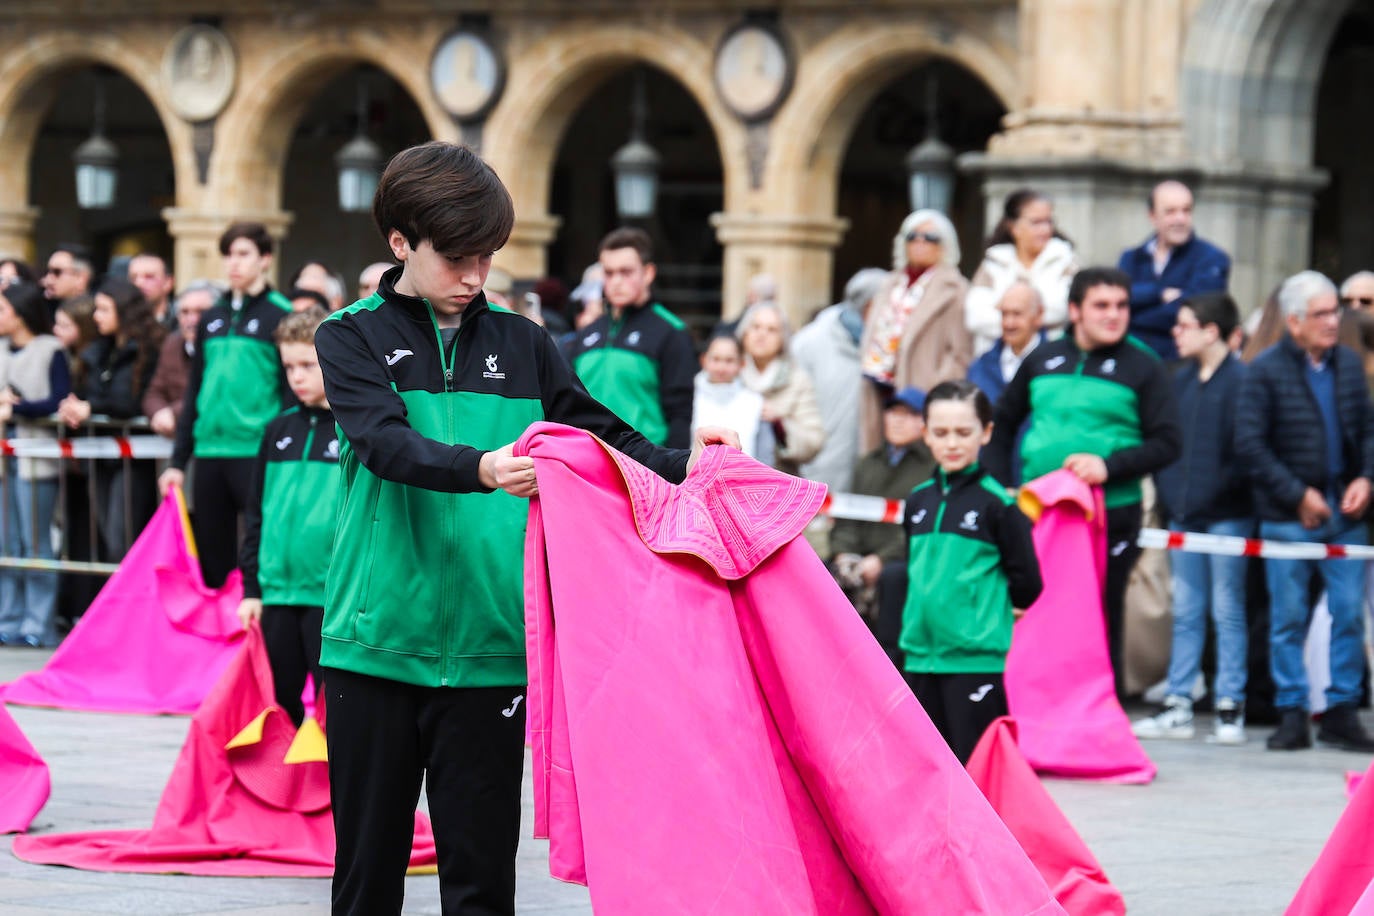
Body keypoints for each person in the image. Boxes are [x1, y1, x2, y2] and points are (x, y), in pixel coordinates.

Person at [312, 141, 737, 915]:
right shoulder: (349, 335)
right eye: (459, 258)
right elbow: (382, 442)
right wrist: (483, 468)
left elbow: (605, 437)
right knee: (366, 882)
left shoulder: (524, 341)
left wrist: (686, 462)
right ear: (401, 242)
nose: (477, 277)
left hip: (493, 648)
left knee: (481, 888)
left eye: (488, 258)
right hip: (371, 649)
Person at [985, 267, 1181, 689]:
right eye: (1101, 306)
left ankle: (1100, 712)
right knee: (1034, 606)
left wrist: (1108, 466)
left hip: (1111, 513)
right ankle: (1033, 702)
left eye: (1122, 305)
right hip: (1039, 512)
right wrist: (1000, 487)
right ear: (1074, 311)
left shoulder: (1145, 366)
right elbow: (1000, 424)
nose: (1114, 315)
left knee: (1099, 612)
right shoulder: (1042, 357)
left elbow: (1168, 443)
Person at [1234, 270, 1374, 753]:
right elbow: (1250, 445)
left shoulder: (1350, 367)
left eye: (1334, 311)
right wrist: (1297, 494)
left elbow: (1369, 433)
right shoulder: (1265, 370)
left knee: (1350, 614)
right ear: (1294, 322)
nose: (1333, 321)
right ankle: (1291, 709)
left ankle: (1342, 710)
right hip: (1288, 516)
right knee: (1287, 616)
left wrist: (1366, 479)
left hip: (1346, 513)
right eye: (1321, 314)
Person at [899, 380, 1042, 764]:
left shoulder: (1000, 505)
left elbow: (1029, 580)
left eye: (964, 432)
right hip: (920, 659)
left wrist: (987, 612)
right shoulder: (917, 502)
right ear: (925, 433)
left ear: (987, 432)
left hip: (974, 661)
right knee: (927, 767)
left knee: (976, 769)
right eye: (941, 433)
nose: (952, 443)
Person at [1133, 292, 1251, 744]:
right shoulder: (1179, 382)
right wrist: (1171, 497)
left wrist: (1206, 498)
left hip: (1227, 517)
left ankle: (1229, 705)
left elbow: (1245, 454)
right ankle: (1179, 701)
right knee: (1186, 609)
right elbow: (1167, 445)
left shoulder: (1243, 381)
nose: (1175, 333)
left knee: (1227, 609)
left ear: (1212, 330)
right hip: (1183, 516)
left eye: (1184, 325)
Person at [158, 222, 294, 590]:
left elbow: (288, 393)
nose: (233, 263)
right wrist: (177, 462)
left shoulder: (280, 315)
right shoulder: (211, 318)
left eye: (244, 254)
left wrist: (281, 448)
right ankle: (220, 637)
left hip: (254, 450)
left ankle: (259, 634)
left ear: (265, 259)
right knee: (213, 554)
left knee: (258, 547)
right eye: (229, 255)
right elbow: (195, 393)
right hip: (210, 451)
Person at [236, 306, 336, 727]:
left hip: (330, 597)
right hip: (277, 593)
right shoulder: (277, 430)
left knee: (335, 708)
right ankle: (288, 788)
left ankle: (333, 790)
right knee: (279, 703)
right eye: (290, 366)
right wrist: (251, 588)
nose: (297, 376)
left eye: (308, 365)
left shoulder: (356, 431)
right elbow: (255, 513)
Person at [56, 277, 165, 558]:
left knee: (123, 539)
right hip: (100, 453)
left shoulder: (148, 349)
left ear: (123, 311)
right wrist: (75, 405)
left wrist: (91, 407)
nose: (96, 316)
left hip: (134, 458)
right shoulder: (98, 351)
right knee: (108, 537)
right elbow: (88, 390)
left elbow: (133, 399)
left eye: (104, 309)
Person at [564, 227, 696, 448]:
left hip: (645, 466)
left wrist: (674, 474)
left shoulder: (672, 332)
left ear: (648, 273)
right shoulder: (586, 334)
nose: (616, 281)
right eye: (609, 272)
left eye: (626, 272)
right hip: (587, 462)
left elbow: (681, 415)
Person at [858, 210, 972, 453]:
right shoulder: (889, 284)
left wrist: (933, 390)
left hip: (920, 390)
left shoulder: (954, 290)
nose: (920, 243)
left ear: (945, 245)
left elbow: (960, 353)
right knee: (878, 457)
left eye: (930, 237)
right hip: (879, 384)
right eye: (913, 236)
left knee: (916, 460)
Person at [0, 282, 70, 647]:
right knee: (6, 542)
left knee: (35, 542)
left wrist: (18, 406)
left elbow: (58, 400)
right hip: (4, 459)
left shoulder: (49, 350)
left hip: (35, 457)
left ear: (21, 313)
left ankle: (36, 622)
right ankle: (8, 616)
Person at [833, 386, 935, 626]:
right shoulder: (867, 463)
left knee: (893, 579)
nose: (898, 421)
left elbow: (921, 525)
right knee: (824, 572)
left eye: (909, 414)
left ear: (924, 423)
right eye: (893, 412)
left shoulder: (931, 469)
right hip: (859, 554)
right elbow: (846, 517)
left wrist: (881, 560)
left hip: (900, 559)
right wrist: (843, 553)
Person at [791, 266, 887, 494]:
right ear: (868, 305)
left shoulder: (888, 345)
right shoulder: (809, 342)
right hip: (817, 469)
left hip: (871, 471)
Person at [1117, 180, 1231, 360]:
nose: (1180, 219)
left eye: (1186, 210)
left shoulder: (1211, 259)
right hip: (1131, 360)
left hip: (1180, 364)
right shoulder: (1131, 258)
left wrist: (1133, 315)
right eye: (1170, 211)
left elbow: (1198, 314)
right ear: (1152, 216)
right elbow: (1119, 299)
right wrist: (1159, 294)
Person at [964, 189, 1076, 353]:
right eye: (1036, 222)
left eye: (1049, 221)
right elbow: (976, 317)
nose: (1045, 229)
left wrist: (1003, 311)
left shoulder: (1066, 262)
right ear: (1014, 227)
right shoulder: (993, 263)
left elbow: (1060, 310)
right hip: (997, 361)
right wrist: (1032, 314)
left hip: (1049, 357)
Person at [736, 301, 826, 477]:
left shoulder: (797, 380)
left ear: (783, 338)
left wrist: (779, 424)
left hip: (777, 483)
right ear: (744, 332)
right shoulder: (727, 372)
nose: (762, 334)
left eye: (771, 330)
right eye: (756, 327)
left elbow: (813, 443)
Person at [143, 282, 219, 439]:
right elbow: (154, 392)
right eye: (185, 312)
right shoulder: (172, 344)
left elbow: (214, 394)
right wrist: (159, 413)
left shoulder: (227, 348)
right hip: (180, 442)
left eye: (201, 312)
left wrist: (174, 413)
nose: (192, 320)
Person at [692, 333, 773, 463]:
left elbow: (765, 455)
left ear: (741, 364)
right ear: (703, 360)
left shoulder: (755, 403)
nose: (721, 368)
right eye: (716, 359)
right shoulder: (688, 399)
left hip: (745, 479)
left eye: (729, 360)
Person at [966, 281, 1048, 404]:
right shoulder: (981, 366)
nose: (1009, 323)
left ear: (1039, 315)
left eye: (1017, 314)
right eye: (1004, 314)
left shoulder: (1054, 365)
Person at [127, 253, 176, 327]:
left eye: (149, 277)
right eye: (133, 277)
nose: (139, 283)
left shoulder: (181, 323)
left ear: (168, 283)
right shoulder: (120, 325)